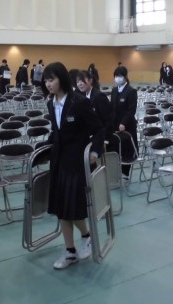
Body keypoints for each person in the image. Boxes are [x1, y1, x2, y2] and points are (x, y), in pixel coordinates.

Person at [43, 62, 104, 270]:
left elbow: (98, 129)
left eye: (51, 79)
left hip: (76, 162)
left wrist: (94, 152)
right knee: (61, 209)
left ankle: (86, 236)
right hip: (59, 162)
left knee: (72, 208)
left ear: (61, 79)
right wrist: (44, 148)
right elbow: (56, 132)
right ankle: (70, 251)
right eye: (46, 80)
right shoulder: (50, 103)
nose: (48, 84)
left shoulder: (79, 102)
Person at [110, 66, 138, 181]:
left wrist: (123, 122)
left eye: (120, 76)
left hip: (127, 125)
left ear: (125, 77)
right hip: (115, 125)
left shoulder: (131, 91)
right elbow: (112, 108)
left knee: (127, 149)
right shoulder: (114, 90)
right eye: (116, 76)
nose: (117, 78)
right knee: (116, 148)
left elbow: (131, 110)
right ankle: (117, 171)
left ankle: (125, 173)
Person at [76, 69, 112, 135]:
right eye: (77, 81)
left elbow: (108, 120)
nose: (79, 84)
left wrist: (103, 136)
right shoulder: (83, 96)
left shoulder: (99, 96)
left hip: (100, 135)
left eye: (82, 81)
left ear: (90, 80)